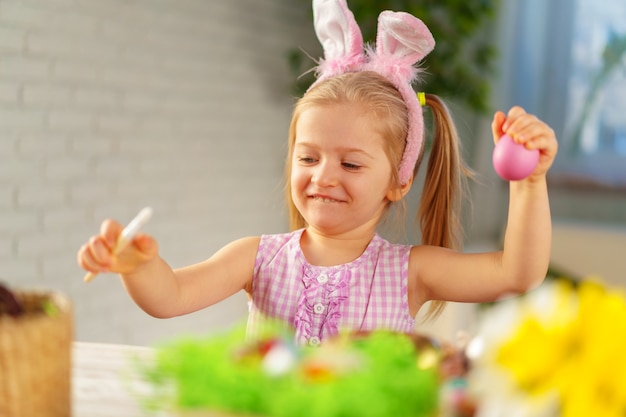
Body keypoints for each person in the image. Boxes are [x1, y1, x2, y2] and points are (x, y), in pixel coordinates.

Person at [77, 0, 558, 346]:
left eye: (350, 163)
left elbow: (517, 273)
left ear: (398, 180)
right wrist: (139, 268)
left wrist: (529, 184)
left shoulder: (410, 272)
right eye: (308, 158)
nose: (324, 176)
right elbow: (171, 296)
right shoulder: (257, 258)